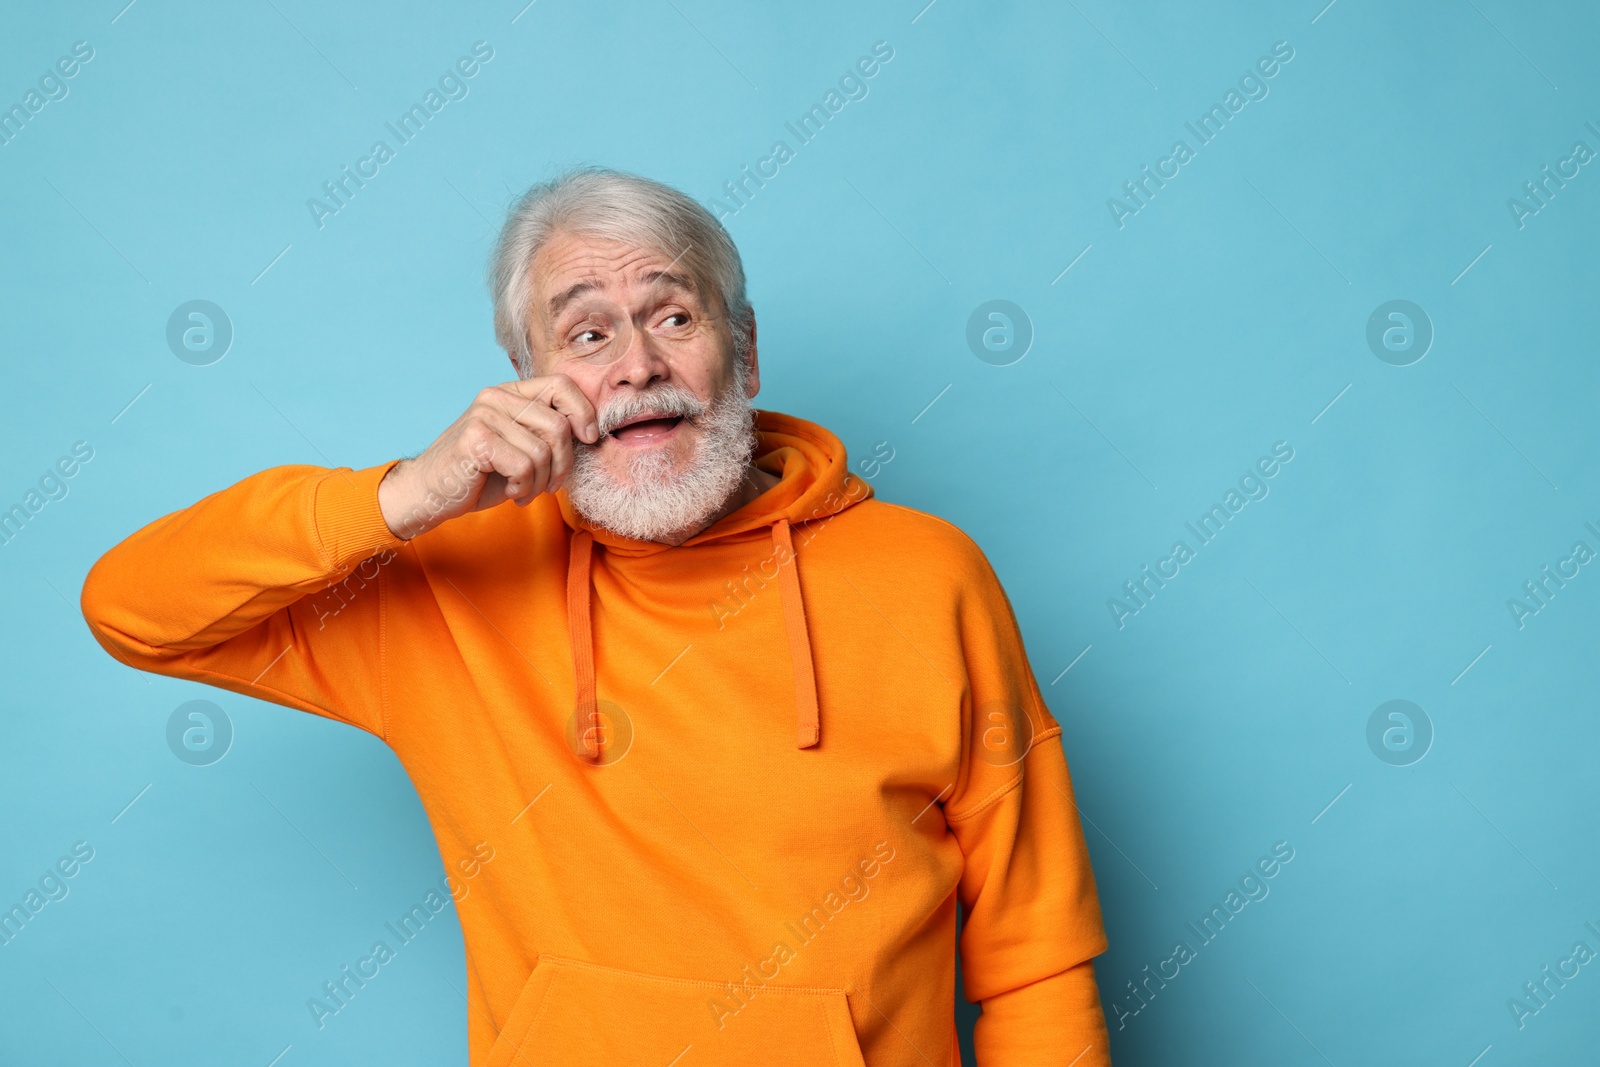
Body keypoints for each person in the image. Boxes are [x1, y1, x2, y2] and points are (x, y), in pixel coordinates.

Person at [81, 166, 1112, 1065]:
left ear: (742, 353)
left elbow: (1036, 954)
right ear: (531, 386)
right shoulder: (452, 583)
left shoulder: (929, 575)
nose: (635, 366)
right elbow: (133, 607)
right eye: (585, 332)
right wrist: (405, 495)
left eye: (672, 316)